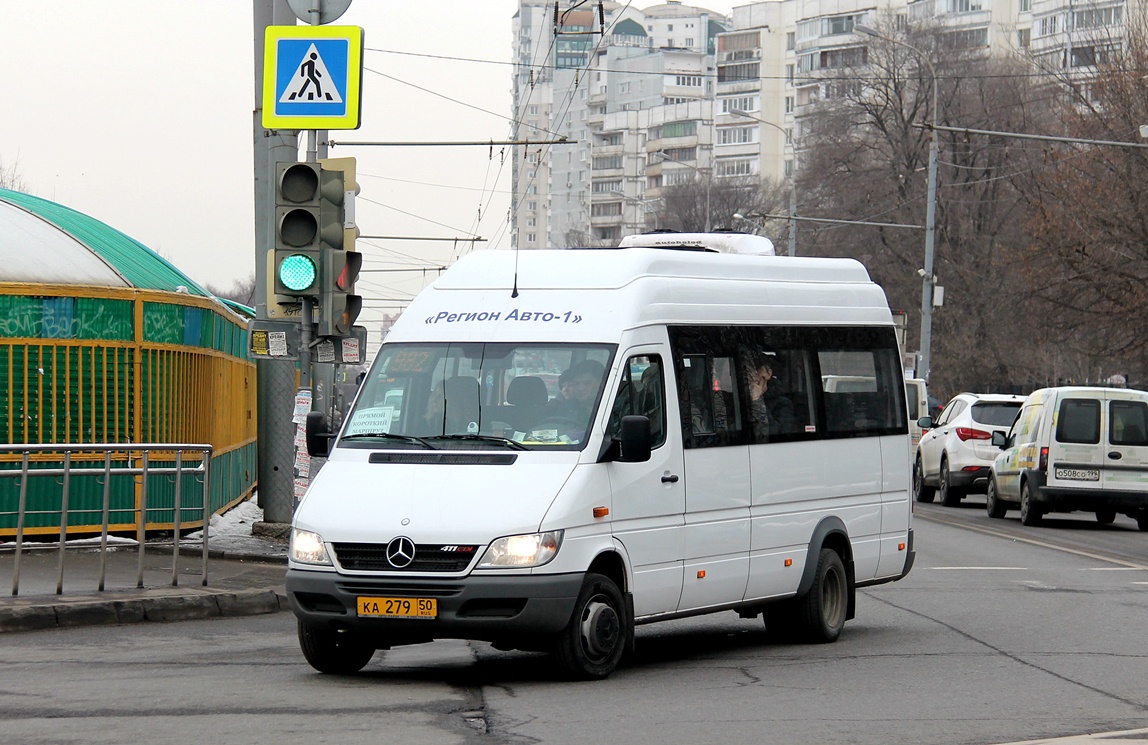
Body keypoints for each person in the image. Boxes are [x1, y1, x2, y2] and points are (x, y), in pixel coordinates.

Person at [747, 351, 794, 441]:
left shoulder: (783, 403)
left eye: (757, 369)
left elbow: (777, 433)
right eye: (748, 370)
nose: (753, 374)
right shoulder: (739, 399)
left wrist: (757, 401)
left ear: (768, 373)